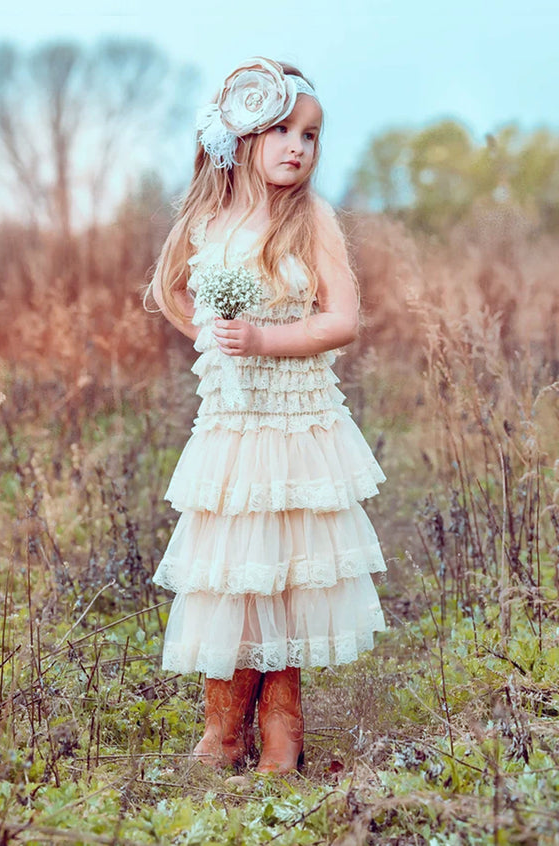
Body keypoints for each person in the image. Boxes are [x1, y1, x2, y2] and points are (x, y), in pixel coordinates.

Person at [145, 57, 387, 775]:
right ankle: (226, 730)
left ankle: (284, 724)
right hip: (233, 423)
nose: (297, 147)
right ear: (241, 135)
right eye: (281, 129)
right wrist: (211, 341)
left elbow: (341, 320)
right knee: (233, 570)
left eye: (310, 135)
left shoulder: (311, 218)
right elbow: (168, 289)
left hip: (298, 419)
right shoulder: (209, 217)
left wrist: (263, 340)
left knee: (286, 571)